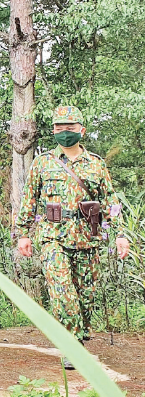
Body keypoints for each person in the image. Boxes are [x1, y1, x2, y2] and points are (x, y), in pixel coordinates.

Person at [15, 105, 130, 369]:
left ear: (82, 130)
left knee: (85, 295)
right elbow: (29, 200)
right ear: (53, 130)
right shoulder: (42, 162)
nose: (64, 132)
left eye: (70, 127)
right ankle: (71, 344)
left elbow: (111, 201)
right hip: (53, 237)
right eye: (59, 127)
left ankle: (80, 328)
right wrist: (23, 233)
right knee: (62, 293)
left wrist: (120, 234)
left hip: (87, 237)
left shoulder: (96, 164)